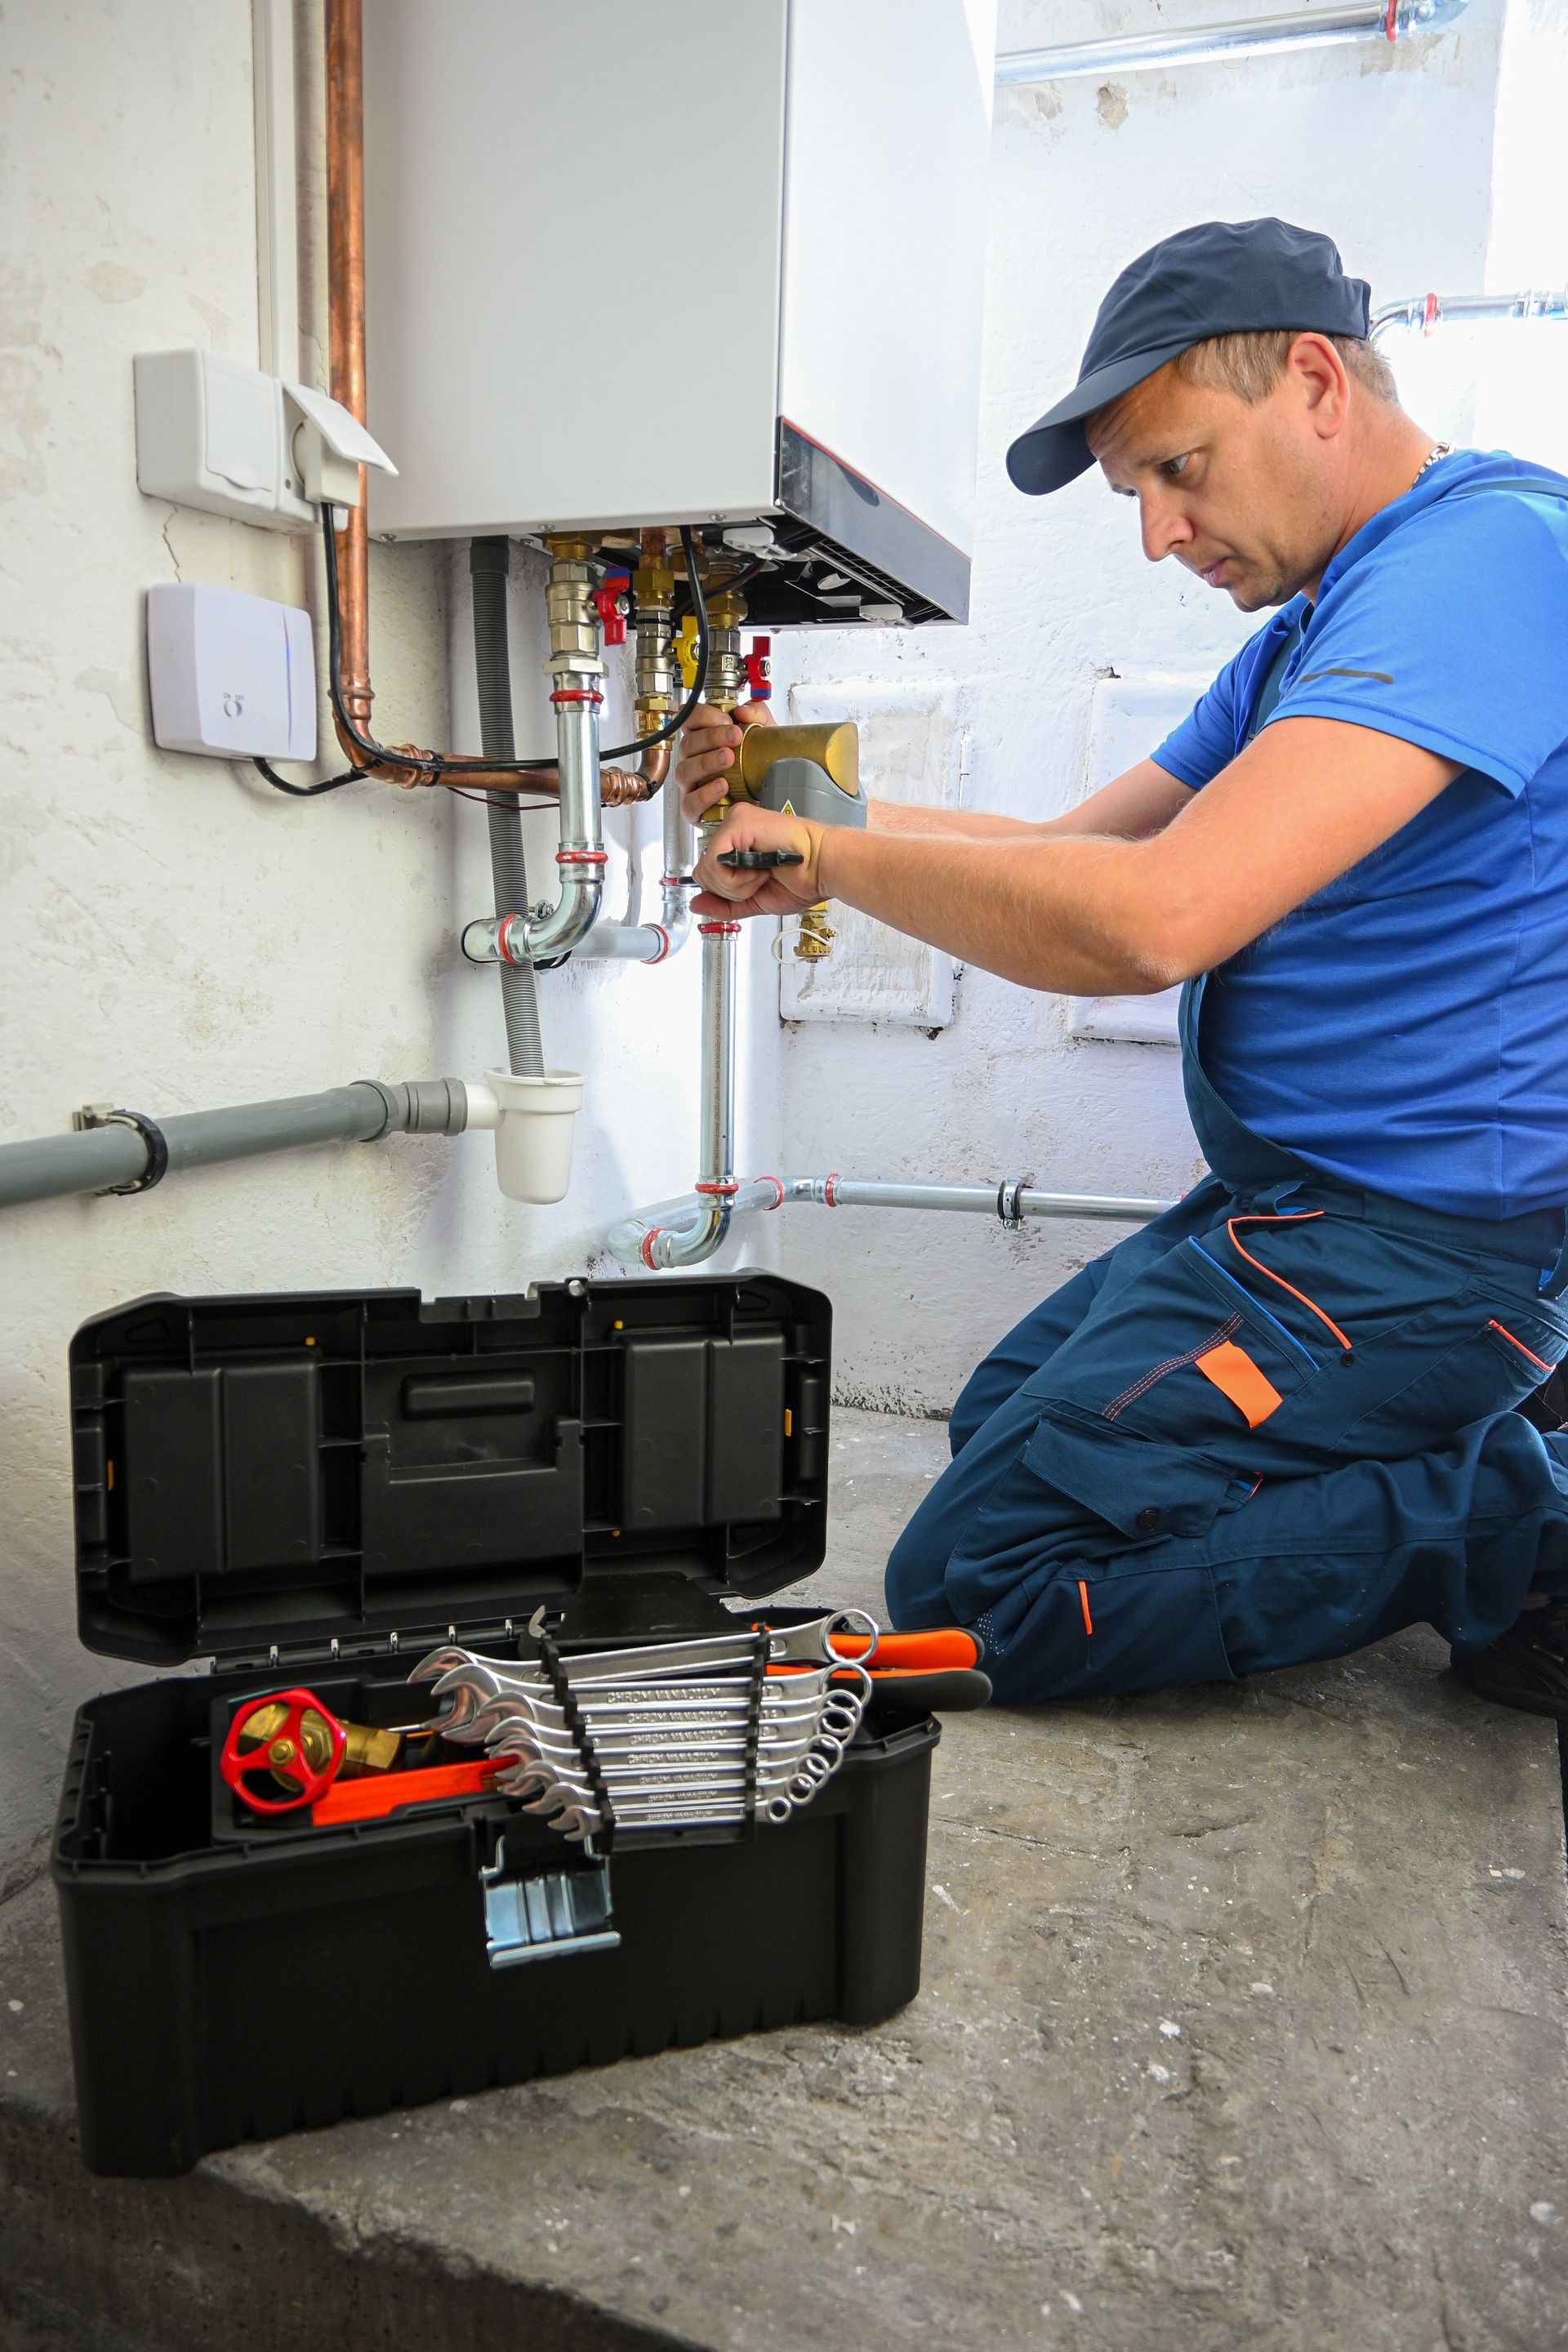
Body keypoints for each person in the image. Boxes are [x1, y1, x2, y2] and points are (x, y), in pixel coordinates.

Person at [675, 217, 1568, 1720]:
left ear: (1315, 381)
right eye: (1136, 493)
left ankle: (1521, 1522)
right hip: (1299, 1210)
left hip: (1421, 1255)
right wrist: (810, 818)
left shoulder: (1488, 562)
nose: (1159, 533)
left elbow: (1150, 921)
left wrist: (827, 858)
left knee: (985, 1583)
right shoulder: (1321, 620)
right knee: (998, 1424)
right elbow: (1071, 851)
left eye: (1179, 468)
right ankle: (1430, 1475)